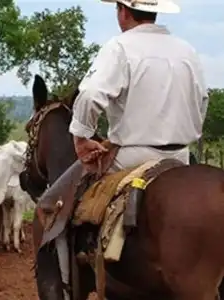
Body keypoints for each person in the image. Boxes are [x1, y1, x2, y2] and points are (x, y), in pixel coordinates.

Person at [68, 0, 209, 258]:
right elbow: (202, 102)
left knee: (82, 199)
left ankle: (87, 254)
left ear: (122, 11)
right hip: (180, 156)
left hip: (132, 157)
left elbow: (89, 95)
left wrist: (81, 137)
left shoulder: (119, 47)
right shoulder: (187, 50)